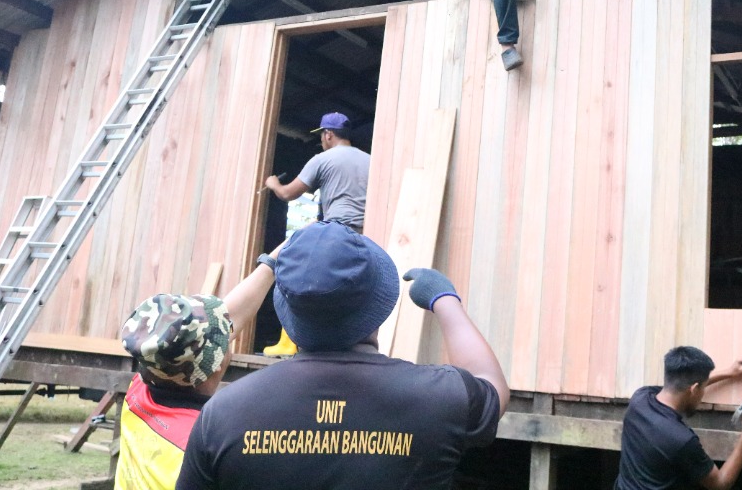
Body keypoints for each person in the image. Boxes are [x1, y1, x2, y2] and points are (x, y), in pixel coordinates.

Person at [176, 220, 509, 490]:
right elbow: (491, 386)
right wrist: (445, 300)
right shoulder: (440, 398)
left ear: (288, 315)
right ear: (379, 305)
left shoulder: (221, 416)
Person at [114, 243, 282, 490]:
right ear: (215, 366)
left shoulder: (138, 392)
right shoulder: (207, 442)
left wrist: (272, 262)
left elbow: (231, 316)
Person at [263, 111, 371, 356]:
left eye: (322, 136)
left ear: (328, 134)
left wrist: (273, 184)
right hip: (366, 234)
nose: (321, 141)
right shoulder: (370, 159)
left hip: (337, 232)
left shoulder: (322, 159)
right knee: (351, 292)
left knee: (298, 276)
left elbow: (288, 194)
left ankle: (290, 341)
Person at [616, 347, 742, 490]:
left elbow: (678, 387)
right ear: (693, 389)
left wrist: (728, 373)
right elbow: (720, 483)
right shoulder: (682, 440)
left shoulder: (640, 398)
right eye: (703, 388)